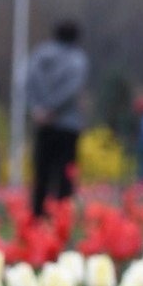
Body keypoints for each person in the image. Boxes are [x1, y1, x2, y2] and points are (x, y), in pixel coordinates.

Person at [24, 20, 88, 218]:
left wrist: (38, 108)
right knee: (65, 174)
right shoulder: (77, 59)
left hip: (43, 123)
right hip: (67, 124)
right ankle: (62, 216)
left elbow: (26, 81)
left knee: (41, 171)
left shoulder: (40, 55)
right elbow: (72, 89)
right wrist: (54, 108)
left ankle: (37, 216)